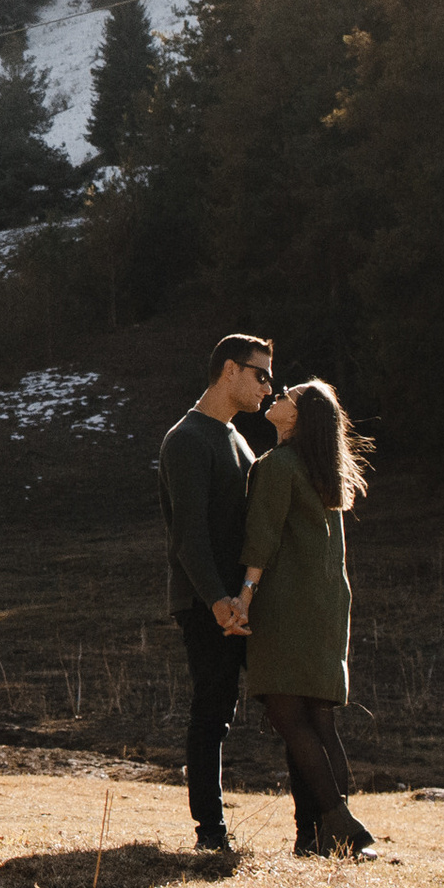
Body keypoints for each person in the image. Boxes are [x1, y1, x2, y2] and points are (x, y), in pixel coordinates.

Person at [234, 379, 374, 856]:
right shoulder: (324, 473)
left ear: (297, 417)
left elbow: (262, 540)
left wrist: (245, 598)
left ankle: (341, 823)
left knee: (286, 715)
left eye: (288, 396)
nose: (277, 396)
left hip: (288, 606)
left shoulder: (277, 466)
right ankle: (312, 837)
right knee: (318, 721)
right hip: (328, 605)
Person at [157, 334, 275, 852]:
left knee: (279, 702)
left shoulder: (236, 437)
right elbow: (189, 536)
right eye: (261, 375)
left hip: (238, 601)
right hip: (208, 604)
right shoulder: (188, 439)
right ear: (231, 370)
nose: (269, 388)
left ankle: (314, 823)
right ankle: (210, 832)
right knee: (212, 712)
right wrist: (217, 601)